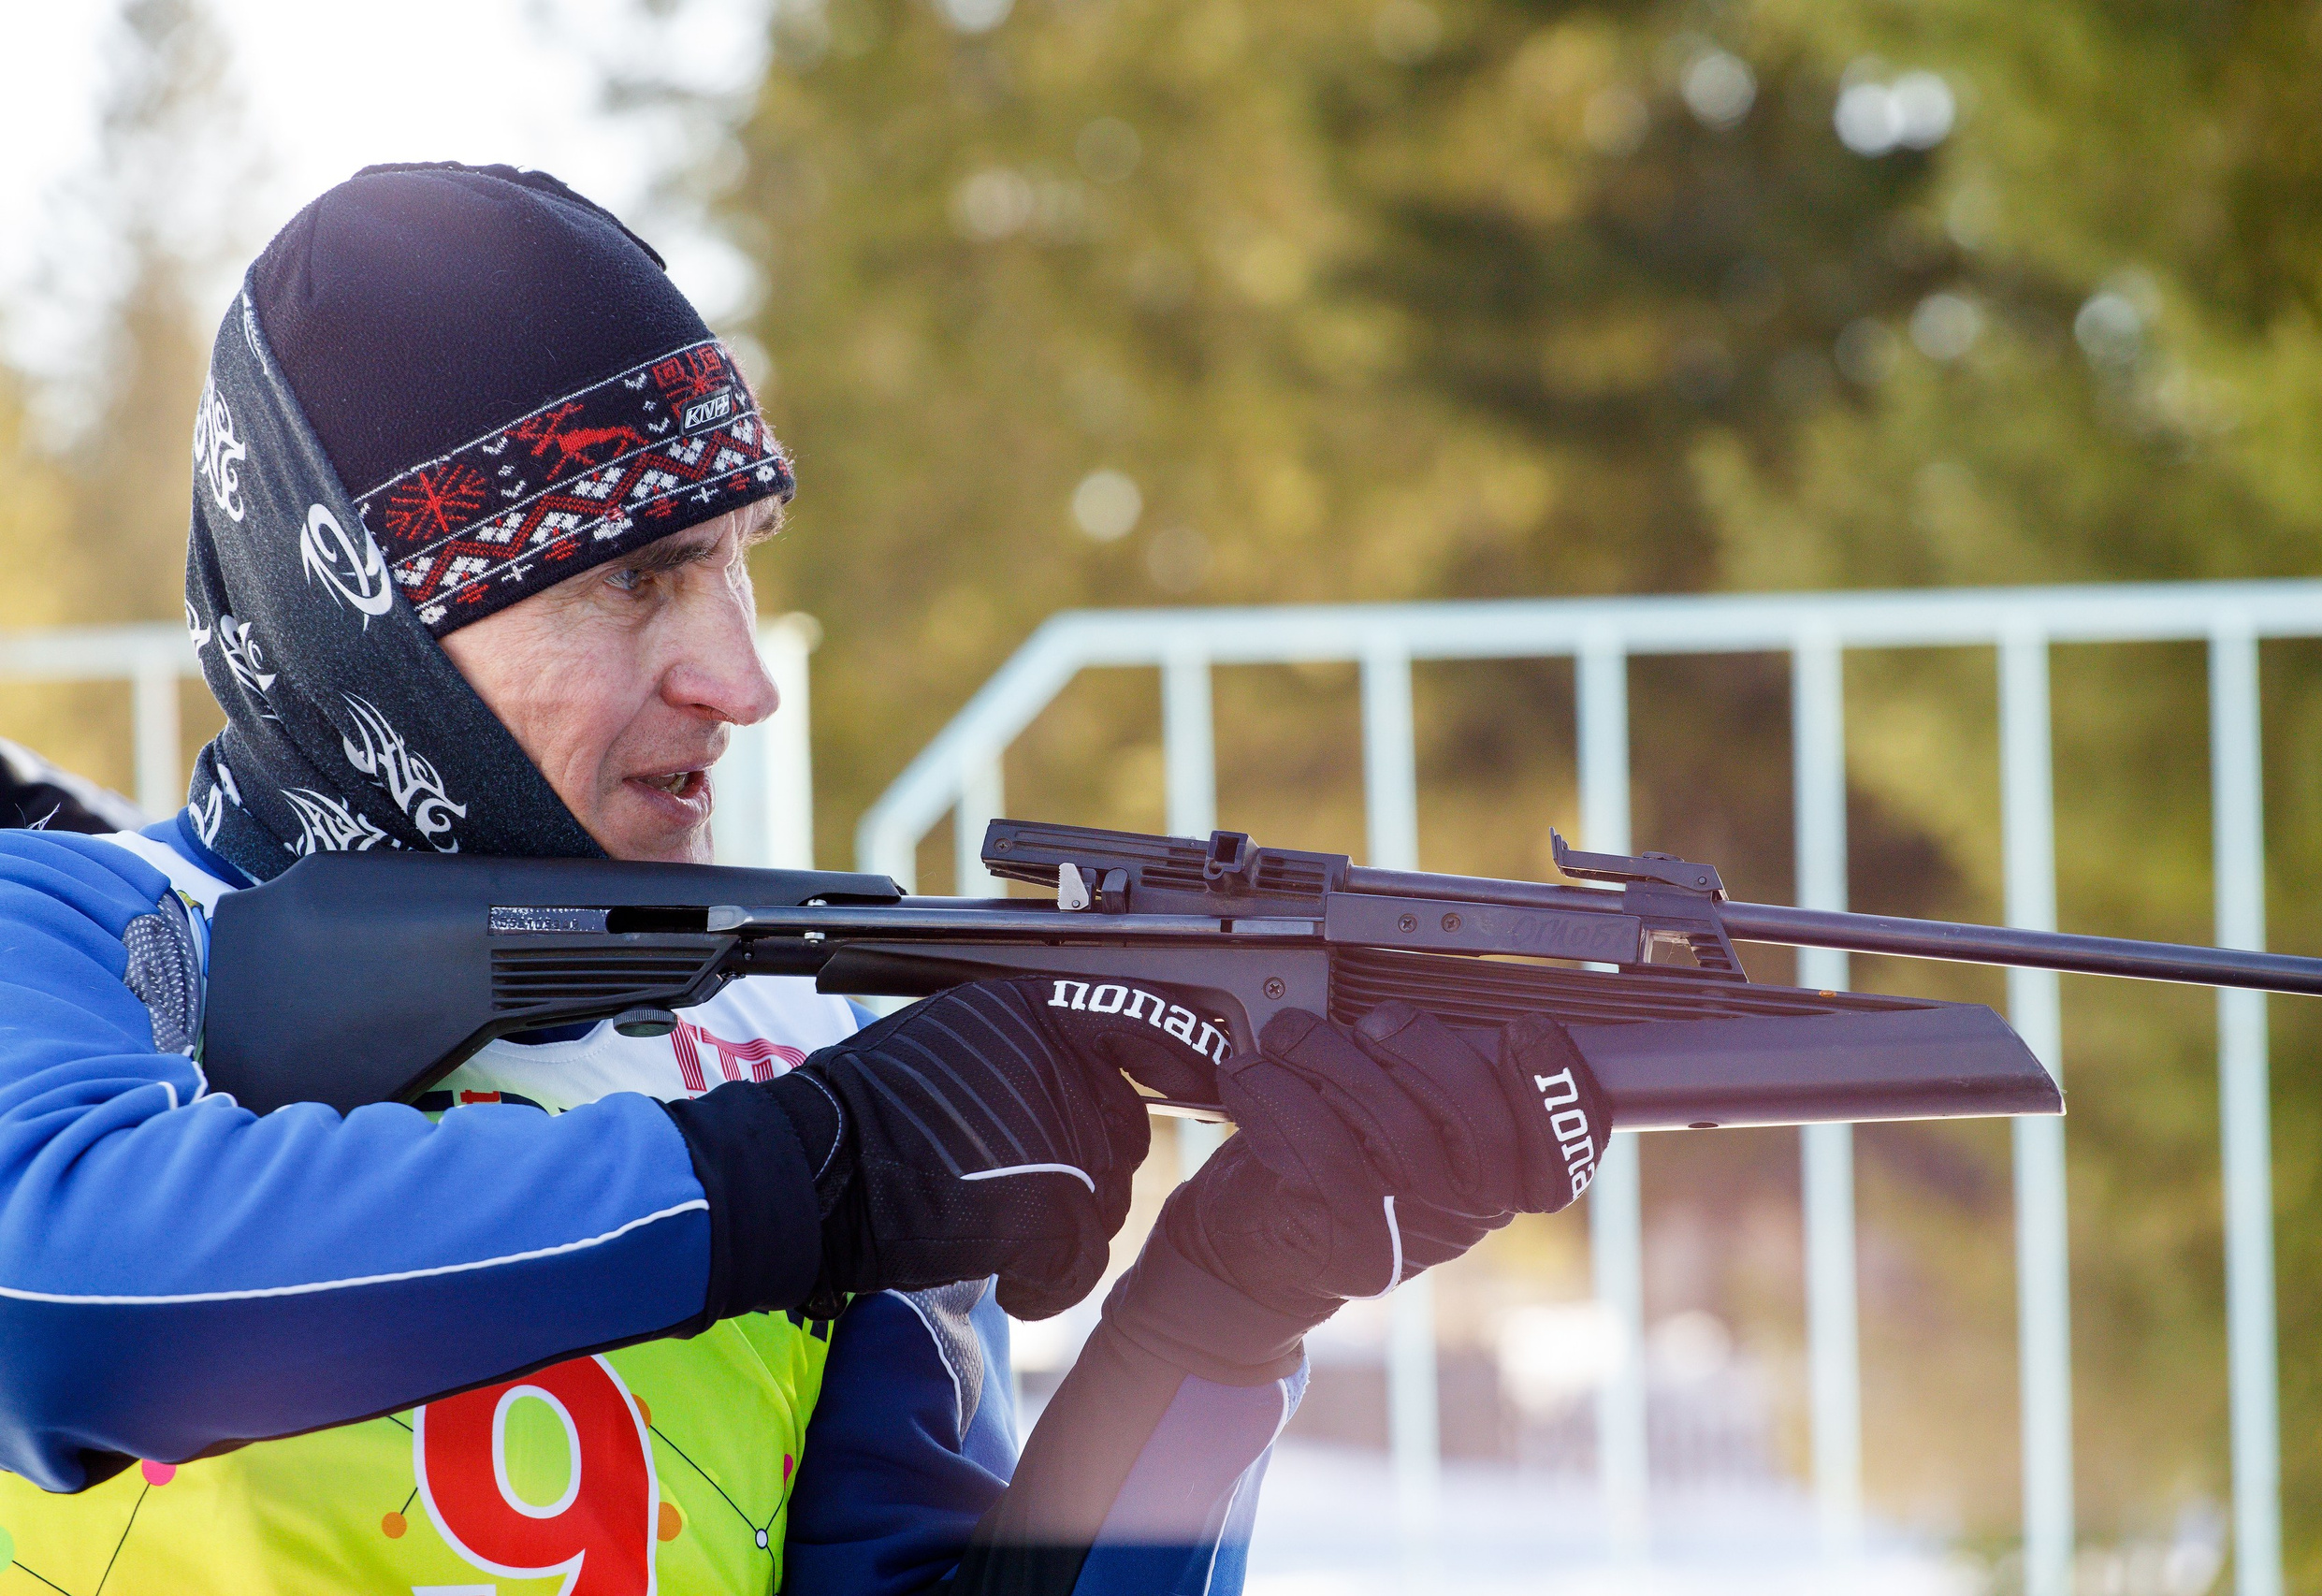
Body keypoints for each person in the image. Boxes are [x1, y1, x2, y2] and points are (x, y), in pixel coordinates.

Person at [0, 164, 1610, 1594]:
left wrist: (1221, 1308)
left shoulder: (798, 1038)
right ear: (361, 615)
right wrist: (809, 1175)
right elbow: (50, 1293)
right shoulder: (77, 928)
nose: (738, 675)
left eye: (738, 560)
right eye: (639, 576)